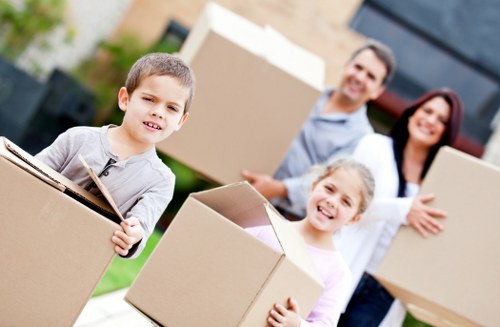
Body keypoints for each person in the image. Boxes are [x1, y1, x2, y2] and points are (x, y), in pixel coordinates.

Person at [35, 53, 195, 258]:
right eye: (149, 99)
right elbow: (31, 171)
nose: (158, 112)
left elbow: (141, 226)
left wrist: (133, 236)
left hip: (78, 257)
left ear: (181, 121)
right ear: (125, 99)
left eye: (171, 108)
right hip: (36, 225)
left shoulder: (161, 181)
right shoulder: (78, 138)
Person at [335, 88, 464, 326]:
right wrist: (402, 210)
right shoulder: (374, 146)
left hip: (384, 292)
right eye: (427, 111)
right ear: (412, 113)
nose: (431, 121)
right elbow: (345, 202)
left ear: (447, 132)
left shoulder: (439, 182)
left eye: (442, 120)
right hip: (345, 267)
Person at [242, 39, 396, 220]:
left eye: (371, 76)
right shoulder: (306, 93)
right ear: (346, 66)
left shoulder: (361, 137)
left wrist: (277, 188)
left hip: (284, 216)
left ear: (378, 90)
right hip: (243, 182)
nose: (360, 77)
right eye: (358, 67)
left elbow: (331, 180)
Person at [246, 158, 375, 326]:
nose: (332, 201)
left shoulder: (338, 272)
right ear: (314, 186)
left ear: (354, 218)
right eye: (329, 189)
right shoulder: (266, 226)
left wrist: (297, 324)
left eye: (346, 202)